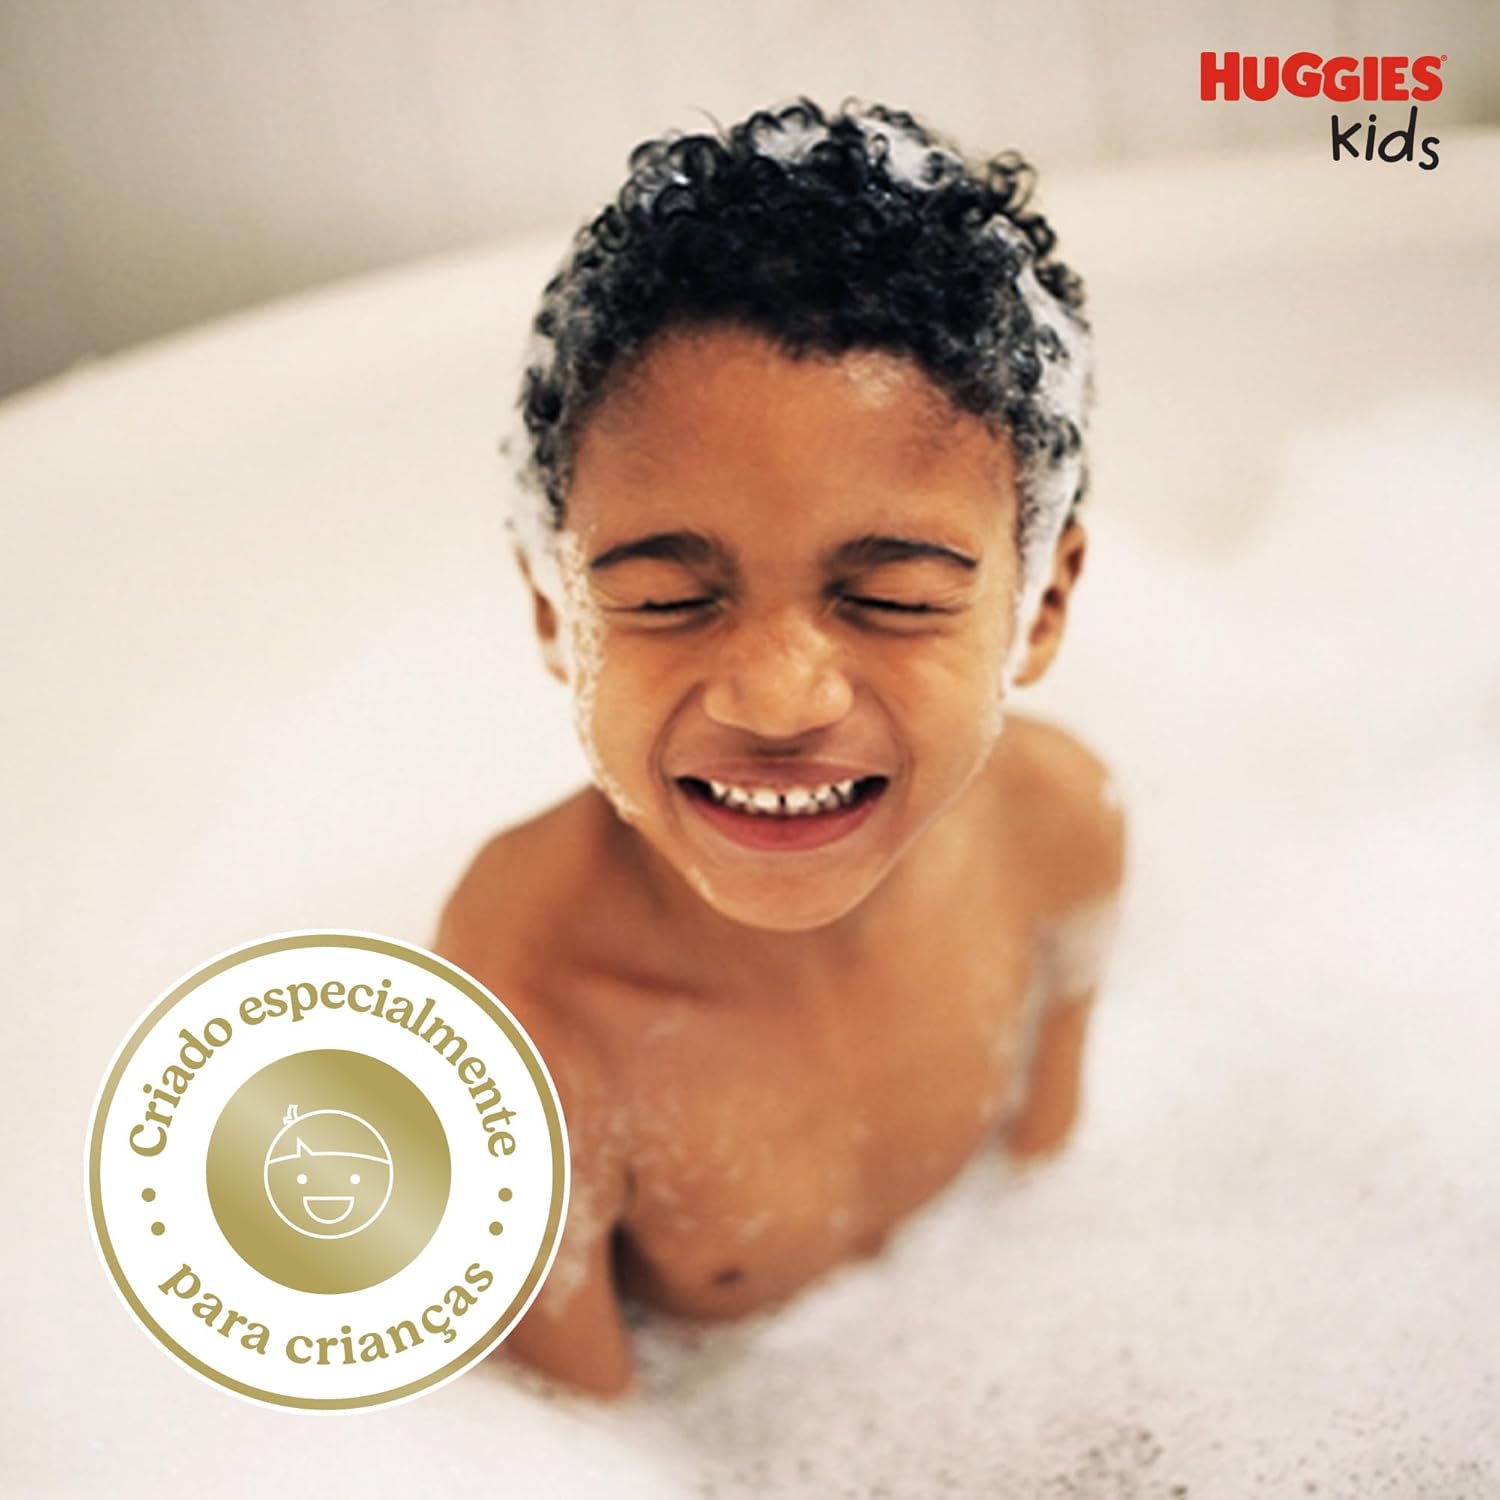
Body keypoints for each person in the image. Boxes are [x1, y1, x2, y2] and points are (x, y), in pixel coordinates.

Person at [435, 96, 1126, 1398]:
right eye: (666, 599)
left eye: (893, 599)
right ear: (555, 611)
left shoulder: (1063, 830)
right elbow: (572, 1441)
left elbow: (1052, 1190)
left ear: (1039, 606)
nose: (778, 698)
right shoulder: (525, 1015)